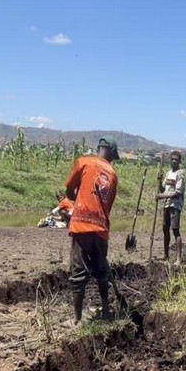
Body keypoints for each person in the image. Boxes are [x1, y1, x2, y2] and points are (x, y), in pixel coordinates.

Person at [63, 136, 120, 325]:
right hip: (101, 227)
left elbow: (69, 191)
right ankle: (106, 311)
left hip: (81, 225)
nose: (113, 159)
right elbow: (108, 205)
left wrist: (77, 200)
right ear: (110, 151)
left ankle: (77, 320)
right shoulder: (112, 174)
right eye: (113, 155)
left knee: (78, 273)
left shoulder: (83, 162)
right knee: (101, 271)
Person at [156, 150, 185, 267]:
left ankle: (178, 259)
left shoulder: (180, 174)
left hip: (175, 205)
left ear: (179, 161)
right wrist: (159, 181)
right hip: (166, 204)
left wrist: (161, 196)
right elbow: (163, 190)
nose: (173, 161)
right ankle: (166, 256)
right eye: (172, 159)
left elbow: (177, 192)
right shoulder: (168, 174)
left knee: (175, 230)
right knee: (165, 229)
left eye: (176, 159)